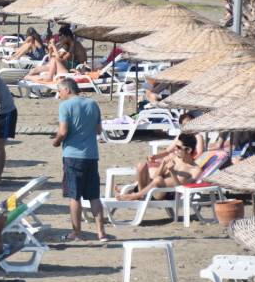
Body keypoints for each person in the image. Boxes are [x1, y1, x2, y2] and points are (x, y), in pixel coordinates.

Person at [52, 79, 109, 241]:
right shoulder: (92, 104)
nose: (59, 94)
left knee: (74, 196)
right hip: (91, 154)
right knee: (94, 196)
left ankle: (76, 232)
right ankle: (101, 233)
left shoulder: (65, 106)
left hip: (73, 155)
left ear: (67, 90)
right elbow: (98, 130)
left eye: (60, 91)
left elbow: (63, 132)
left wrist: (56, 142)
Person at [117, 135, 202, 201]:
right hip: (151, 187)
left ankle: (135, 195)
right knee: (141, 166)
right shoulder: (173, 157)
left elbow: (181, 188)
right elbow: (156, 176)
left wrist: (172, 171)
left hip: (165, 193)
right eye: (175, 146)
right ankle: (139, 193)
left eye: (179, 147)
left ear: (188, 150)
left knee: (159, 180)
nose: (175, 149)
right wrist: (163, 164)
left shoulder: (195, 170)